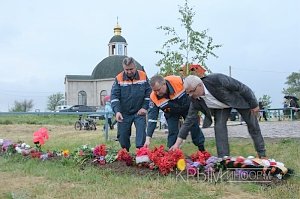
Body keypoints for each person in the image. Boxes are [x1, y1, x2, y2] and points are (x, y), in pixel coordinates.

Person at [170, 74, 267, 159]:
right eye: (188, 93)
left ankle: (262, 154)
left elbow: (242, 87)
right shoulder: (194, 99)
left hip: (238, 100)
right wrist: (177, 144)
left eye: (192, 91)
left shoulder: (217, 80)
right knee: (219, 127)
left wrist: (254, 104)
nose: (190, 95)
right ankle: (224, 158)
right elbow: (188, 121)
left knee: (253, 125)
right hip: (221, 107)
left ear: (199, 86)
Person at [144, 75, 205, 151]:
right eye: (154, 90)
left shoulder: (178, 81)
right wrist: (148, 139)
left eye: (158, 89)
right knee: (172, 130)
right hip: (170, 112)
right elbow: (152, 119)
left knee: (194, 126)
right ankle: (172, 152)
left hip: (186, 106)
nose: (157, 92)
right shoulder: (153, 97)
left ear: (164, 84)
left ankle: (201, 148)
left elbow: (192, 90)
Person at [111, 57, 151, 151]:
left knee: (141, 134)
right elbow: (114, 97)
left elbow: (149, 93)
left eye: (131, 69)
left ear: (135, 67)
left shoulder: (143, 76)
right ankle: (125, 153)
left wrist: (145, 108)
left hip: (139, 111)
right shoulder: (119, 78)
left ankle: (141, 154)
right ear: (123, 68)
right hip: (124, 112)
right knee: (123, 136)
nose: (129, 72)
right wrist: (117, 111)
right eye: (126, 69)